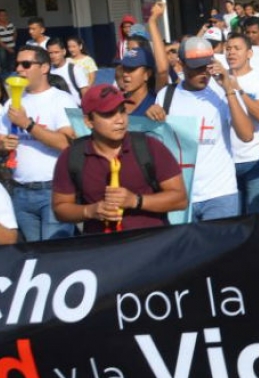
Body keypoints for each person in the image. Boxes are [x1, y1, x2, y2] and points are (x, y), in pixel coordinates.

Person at [50, 85, 187, 234]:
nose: (120, 120)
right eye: (109, 114)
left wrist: (136, 201)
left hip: (151, 246)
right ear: (89, 121)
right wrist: (89, 211)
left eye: (122, 111)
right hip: (102, 250)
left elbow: (180, 199)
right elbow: (60, 208)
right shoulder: (72, 155)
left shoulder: (149, 146)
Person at [155, 37, 254, 221]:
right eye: (196, 67)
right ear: (181, 65)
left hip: (220, 194)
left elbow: (247, 135)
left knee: (222, 249)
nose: (203, 73)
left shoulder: (223, 91)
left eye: (207, 67)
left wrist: (229, 89)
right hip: (182, 194)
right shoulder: (166, 96)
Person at [0, 46, 77, 241]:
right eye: (16, 64)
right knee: (33, 259)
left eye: (26, 64)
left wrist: (27, 124)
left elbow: (67, 143)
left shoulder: (62, 100)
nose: (19, 69)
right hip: (19, 192)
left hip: (54, 191)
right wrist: (4, 145)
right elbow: (1, 138)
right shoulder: (11, 104)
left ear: (44, 68)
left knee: (54, 256)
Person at [221, 34, 259, 214]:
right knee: (232, 221)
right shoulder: (216, 80)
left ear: (249, 53)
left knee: (257, 220)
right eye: (228, 49)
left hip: (254, 161)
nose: (231, 53)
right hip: (225, 163)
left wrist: (237, 90)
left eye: (237, 48)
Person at [46, 38, 88, 104]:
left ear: (64, 52)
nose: (53, 56)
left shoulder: (75, 69)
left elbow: (85, 94)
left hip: (74, 111)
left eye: (56, 52)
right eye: (50, 53)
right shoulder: (46, 71)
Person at [0, 9, 16, 73]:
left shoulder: (11, 24)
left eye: (5, 15)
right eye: (1, 15)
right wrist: (8, 48)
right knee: (4, 64)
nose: (3, 16)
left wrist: (13, 41)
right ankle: (5, 78)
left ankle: (12, 77)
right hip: (2, 48)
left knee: (12, 64)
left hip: (12, 46)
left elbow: (15, 33)